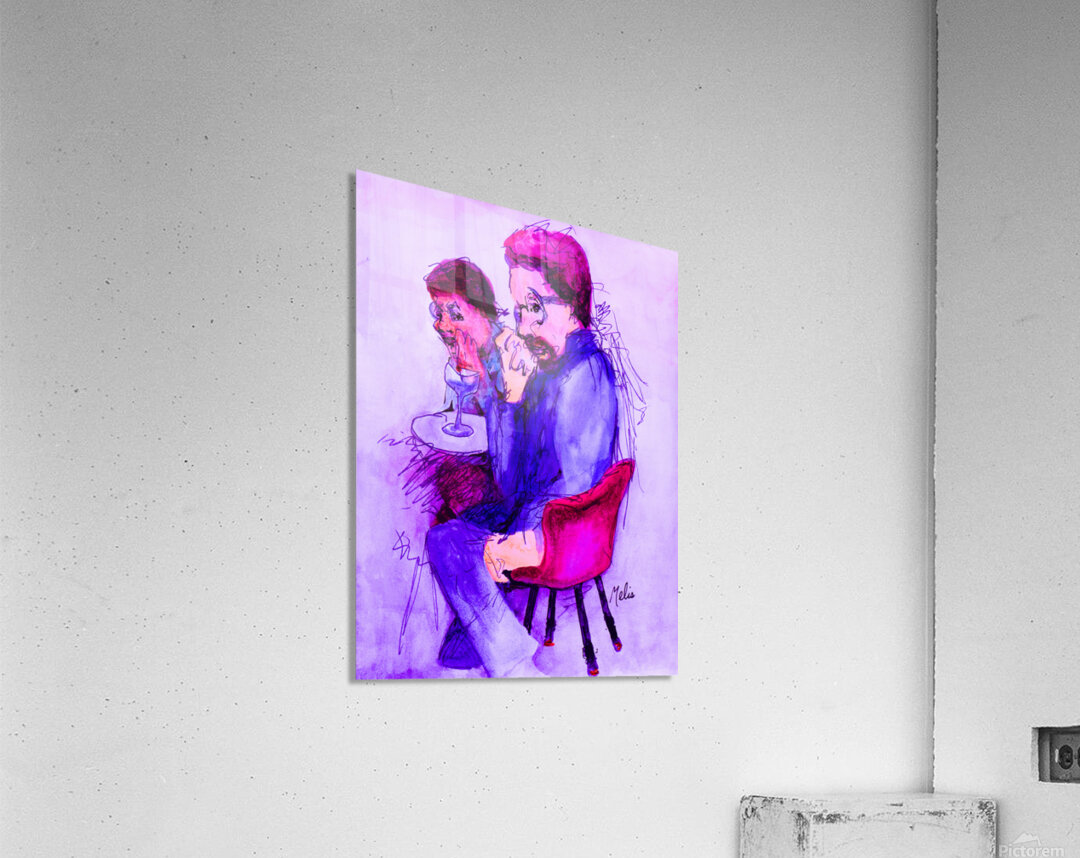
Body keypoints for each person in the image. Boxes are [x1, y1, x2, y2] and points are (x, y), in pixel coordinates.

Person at [425, 226, 618, 676]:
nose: (525, 326)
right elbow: (511, 478)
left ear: (572, 304)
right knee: (447, 532)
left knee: (452, 541)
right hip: (537, 512)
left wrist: (519, 540)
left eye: (535, 308)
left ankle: (512, 666)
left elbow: (575, 484)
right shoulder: (548, 368)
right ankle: (494, 647)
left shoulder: (585, 374)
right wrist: (509, 398)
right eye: (519, 310)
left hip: (565, 531)